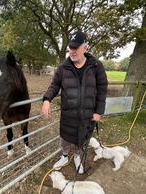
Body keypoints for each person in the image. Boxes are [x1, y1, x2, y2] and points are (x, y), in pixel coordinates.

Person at [42, 30, 108, 173]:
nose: (72, 51)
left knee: (83, 137)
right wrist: (47, 99)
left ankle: (78, 157)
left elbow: (102, 90)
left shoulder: (96, 66)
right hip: (68, 114)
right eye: (70, 48)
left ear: (85, 47)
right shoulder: (62, 68)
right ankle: (65, 156)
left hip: (87, 114)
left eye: (75, 48)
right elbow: (54, 85)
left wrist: (98, 111)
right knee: (65, 137)